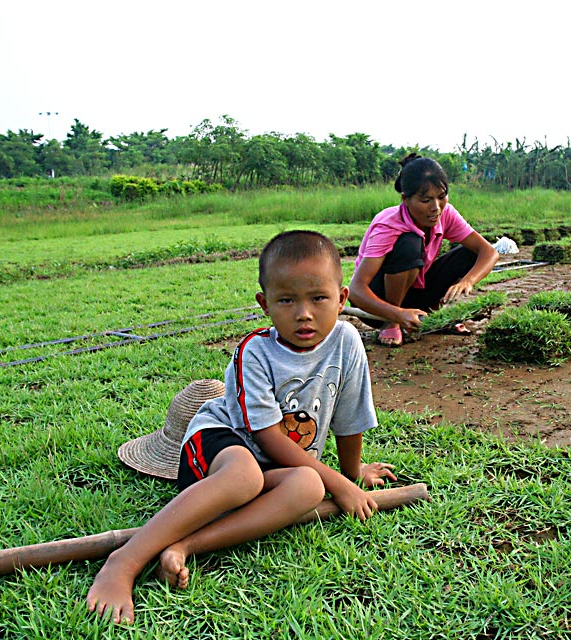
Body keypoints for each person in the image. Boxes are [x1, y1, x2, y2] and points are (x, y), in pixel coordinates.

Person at [87, 230, 396, 624]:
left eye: (318, 298)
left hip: (280, 467)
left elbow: (349, 419)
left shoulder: (347, 342)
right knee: (248, 475)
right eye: (287, 300)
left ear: (341, 298)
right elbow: (266, 435)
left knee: (308, 485)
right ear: (264, 304)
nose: (304, 313)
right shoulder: (255, 351)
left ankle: (183, 547)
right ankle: (124, 560)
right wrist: (340, 483)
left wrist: (351, 476)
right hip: (222, 445)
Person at [349, 153, 499, 347]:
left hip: (416, 298)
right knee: (410, 243)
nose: (436, 207)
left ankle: (433, 316)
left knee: (469, 253)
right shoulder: (388, 225)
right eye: (425, 200)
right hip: (378, 306)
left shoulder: (446, 214)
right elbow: (356, 289)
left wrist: (467, 281)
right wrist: (397, 314)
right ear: (406, 199)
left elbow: (489, 252)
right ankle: (391, 323)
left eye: (441, 197)